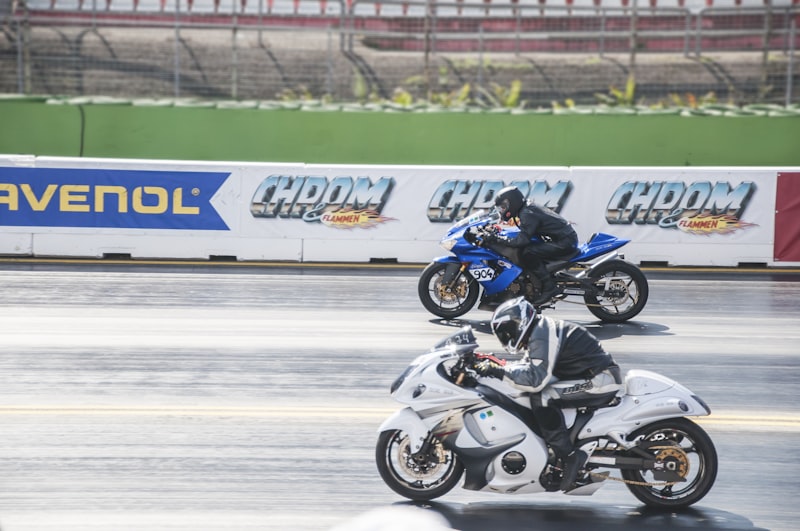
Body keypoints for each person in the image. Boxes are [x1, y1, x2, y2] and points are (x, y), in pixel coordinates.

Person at [473, 296, 623, 491]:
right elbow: (527, 367)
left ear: (519, 323)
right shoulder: (539, 330)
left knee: (544, 397)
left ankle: (569, 456)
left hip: (600, 380)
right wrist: (497, 364)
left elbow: (536, 379)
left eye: (507, 331)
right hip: (587, 376)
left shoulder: (542, 334)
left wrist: (498, 370)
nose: (506, 337)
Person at [481, 186, 579, 305]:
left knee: (528, 252)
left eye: (504, 206)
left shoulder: (527, 213)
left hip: (565, 242)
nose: (502, 210)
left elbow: (521, 241)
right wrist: (494, 229)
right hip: (561, 238)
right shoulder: (526, 208)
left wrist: (497, 239)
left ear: (513, 202)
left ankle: (549, 287)